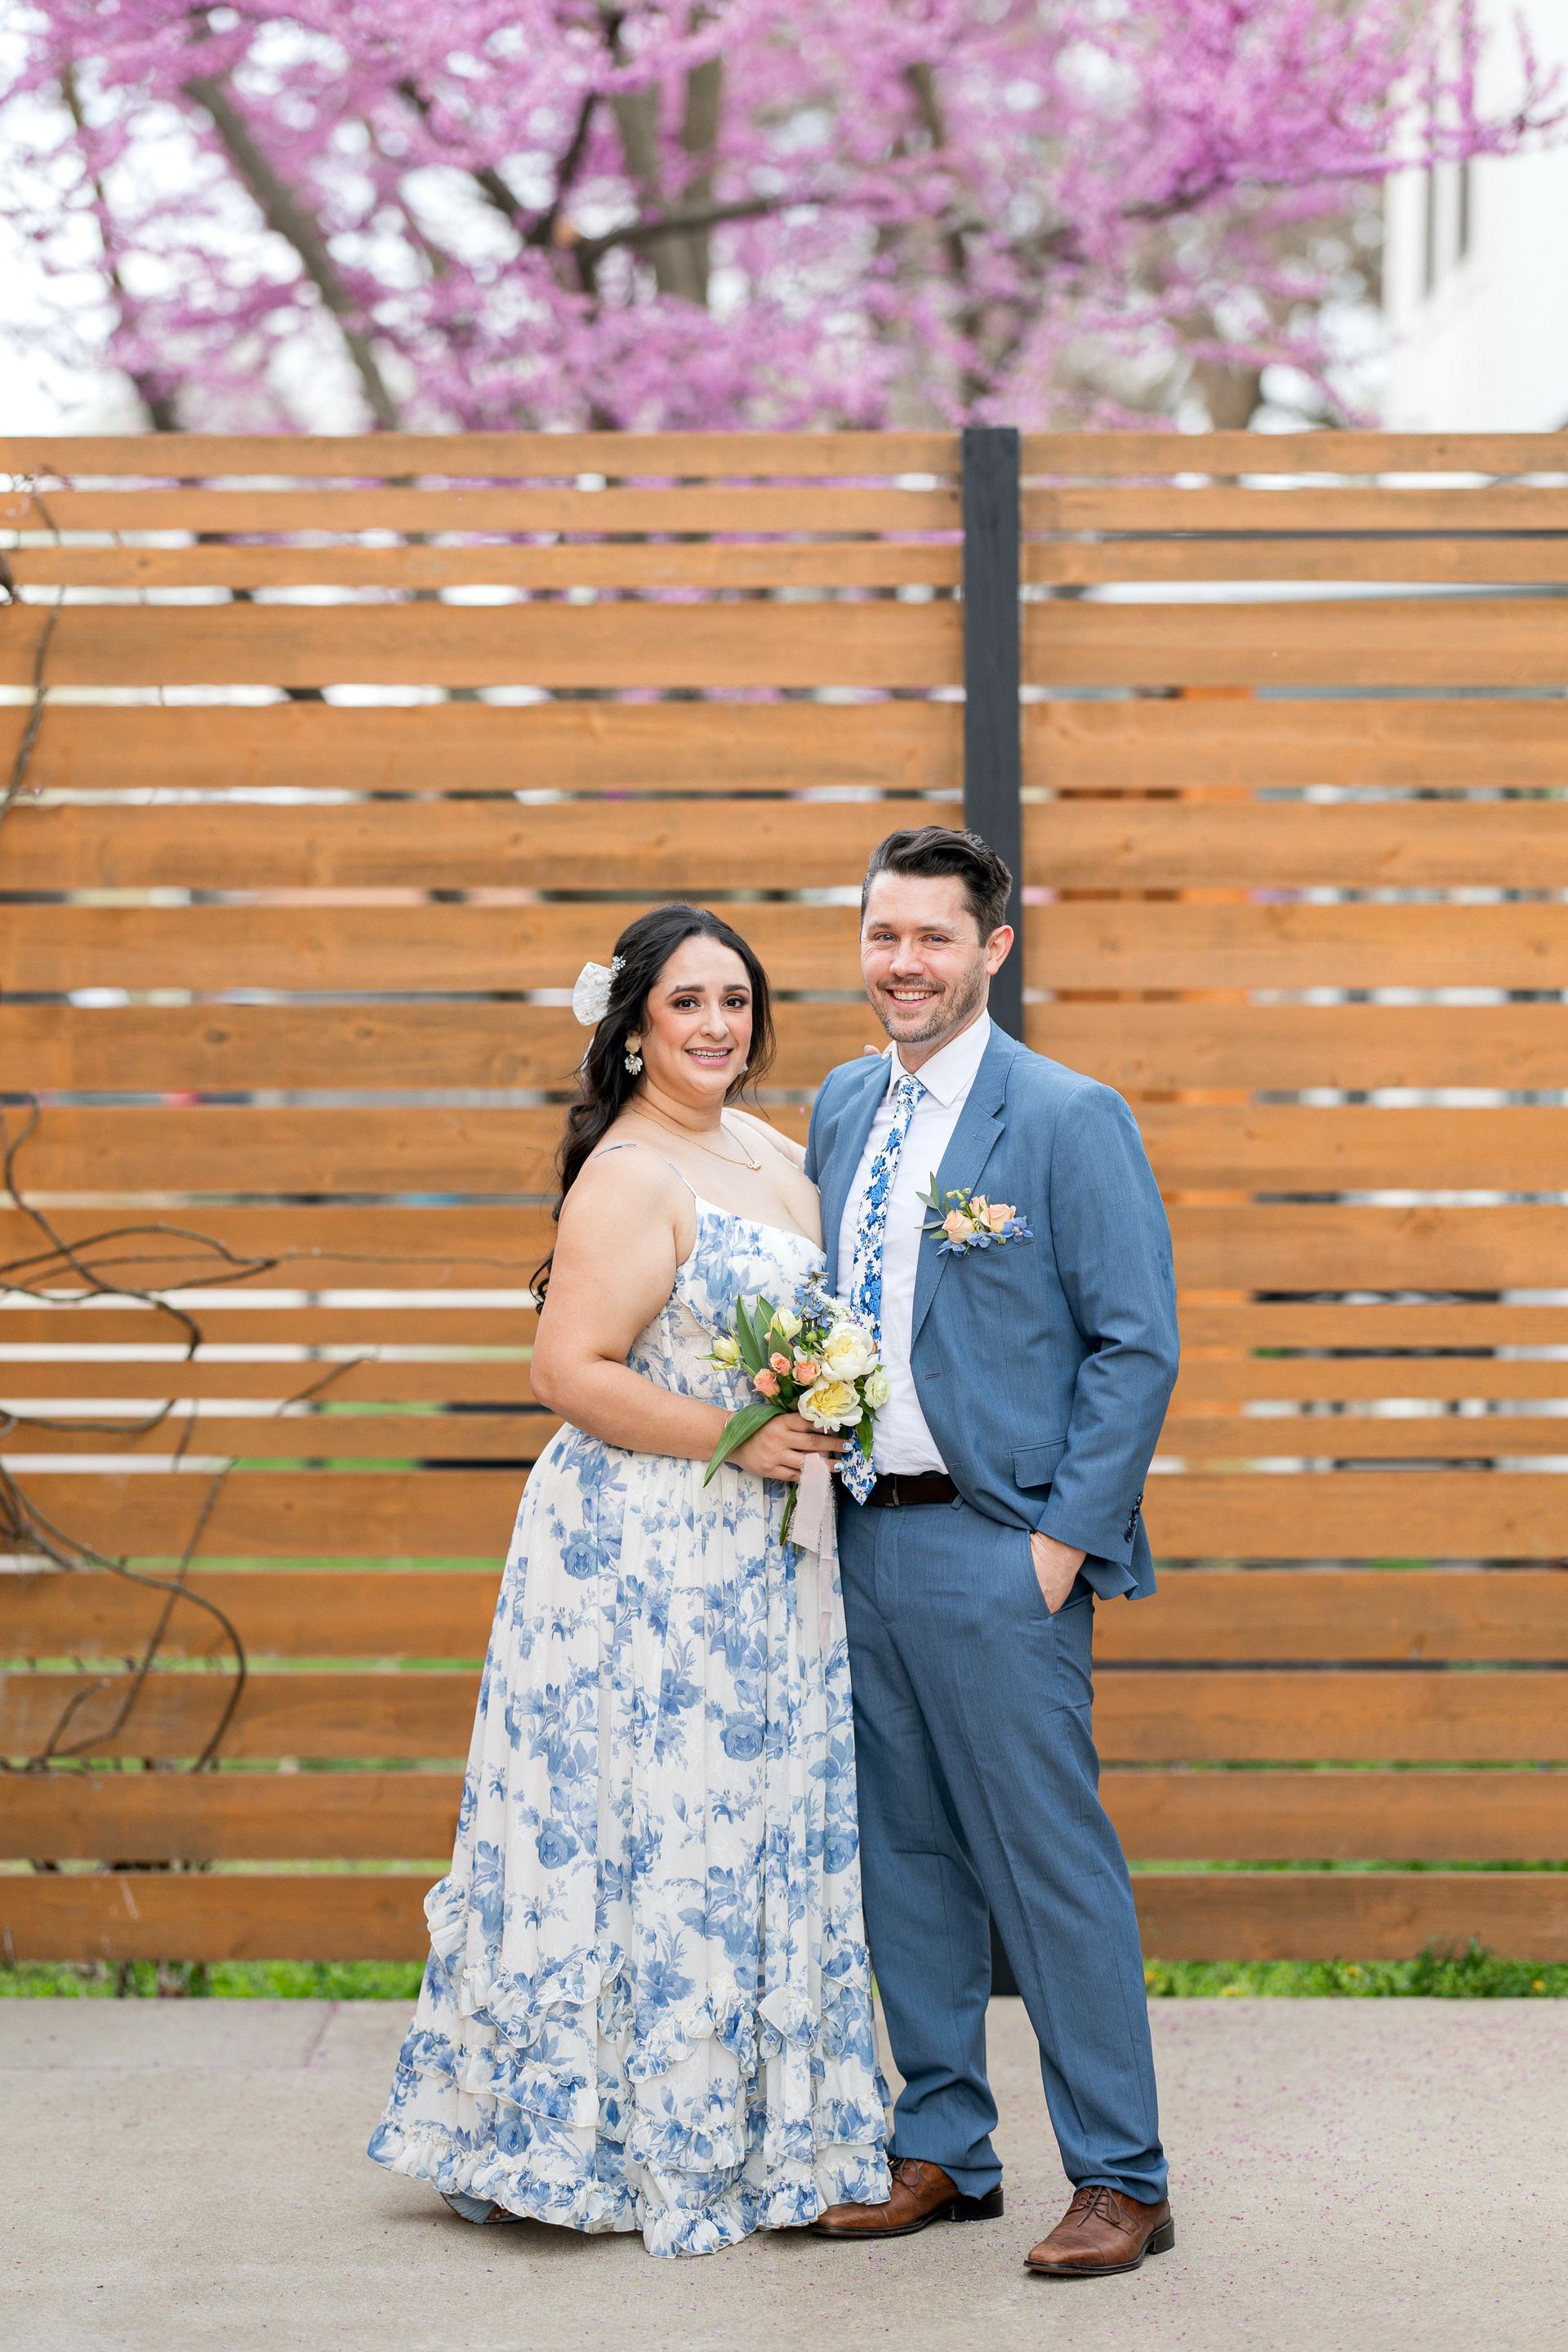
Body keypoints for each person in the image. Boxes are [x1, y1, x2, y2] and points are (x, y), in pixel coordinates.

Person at [368, 904, 890, 2259]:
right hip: (642, 1552)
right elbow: (567, 1373)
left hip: (764, 1549)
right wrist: (743, 1434)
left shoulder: (775, 1153)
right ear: (635, 1025)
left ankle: (763, 2120)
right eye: (687, 1003)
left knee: (744, 1821)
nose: (716, 1025)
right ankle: (600, 2130)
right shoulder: (630, 1171)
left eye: (735, 1001)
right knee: (641, 1823)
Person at [803, 826, 1181, 2279]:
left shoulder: (1067, 1116)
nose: (905, 964)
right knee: (901, 1858)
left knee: (1048, 1868)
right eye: (884, 936)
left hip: (1000, 1552)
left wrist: (1060, 1547)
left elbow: (1135, 1347)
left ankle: (1123, 2180)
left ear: (992, 951)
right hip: (863, 1545)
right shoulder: (845, 1103)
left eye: (934, 939)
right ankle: (944, 2148)